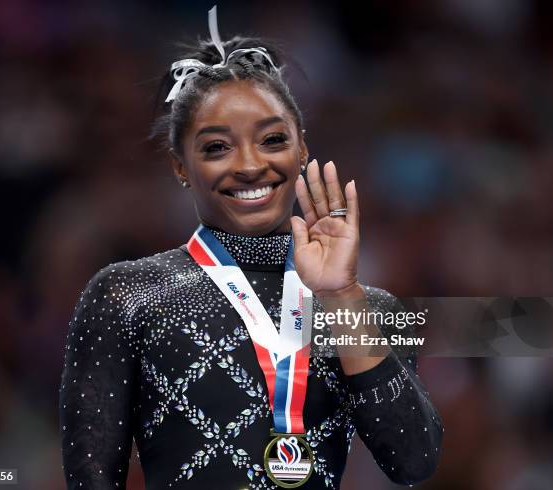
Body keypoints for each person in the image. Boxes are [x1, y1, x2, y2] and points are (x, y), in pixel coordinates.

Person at [59, 7, 442, 489]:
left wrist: (342, 294)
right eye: (217, 147)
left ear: (301, 148)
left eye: (272, 139)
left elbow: (414, 461)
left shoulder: (365, 310)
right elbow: (91, 479)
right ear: (181, 166)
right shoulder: (128, 296)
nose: (249, 165)